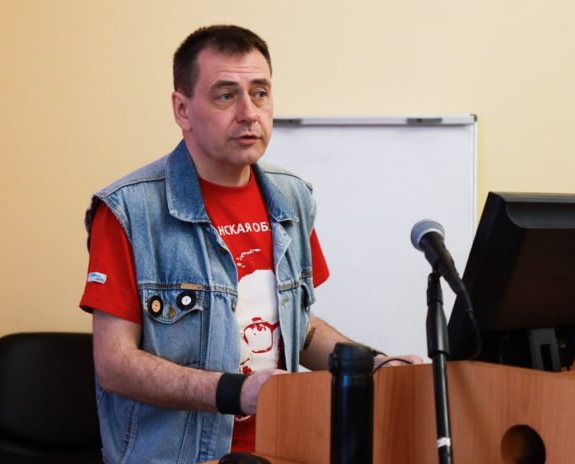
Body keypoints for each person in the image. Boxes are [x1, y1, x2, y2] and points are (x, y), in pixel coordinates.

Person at [79, 25, 421, 463]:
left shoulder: (292, 197)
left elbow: (299, 328)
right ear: (182, 109)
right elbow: (115, 364)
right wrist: (236, 392)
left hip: (281, 450)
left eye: (260, 93)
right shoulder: (130, 209)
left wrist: (375, 367)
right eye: (226, 96)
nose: (249, 113)